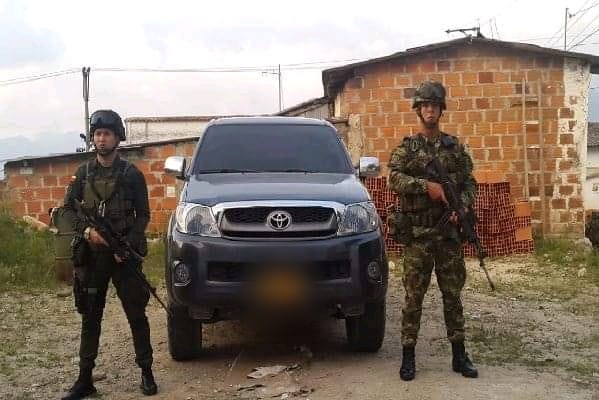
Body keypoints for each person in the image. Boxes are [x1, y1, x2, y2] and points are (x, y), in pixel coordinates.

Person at [60, 109, 157, 399]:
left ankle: (147, 371)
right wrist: (87, 231)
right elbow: (66, 212)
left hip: (123, 256)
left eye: (107, 134)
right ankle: (84, 378)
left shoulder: (131, 174)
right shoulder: (83, 174)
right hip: (92, 257)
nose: (102, 139)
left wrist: (127, 245)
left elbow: (143, 215)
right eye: (98, 134)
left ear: (117, 138)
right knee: (90, 317)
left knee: (136, 314)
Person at [388, 81, 479, 381]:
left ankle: (459, 355)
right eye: (425, 105)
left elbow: (470, 183)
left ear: (441, 110)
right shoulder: (408, 148)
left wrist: (460, 206)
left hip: (448, 236)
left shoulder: (454, 148)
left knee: (452, 296)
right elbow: (394, 178)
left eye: (435, 105)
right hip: (418, 236)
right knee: (413, 298)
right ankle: (408, 356)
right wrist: (425, 186)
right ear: (418, 109)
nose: (430, 110)